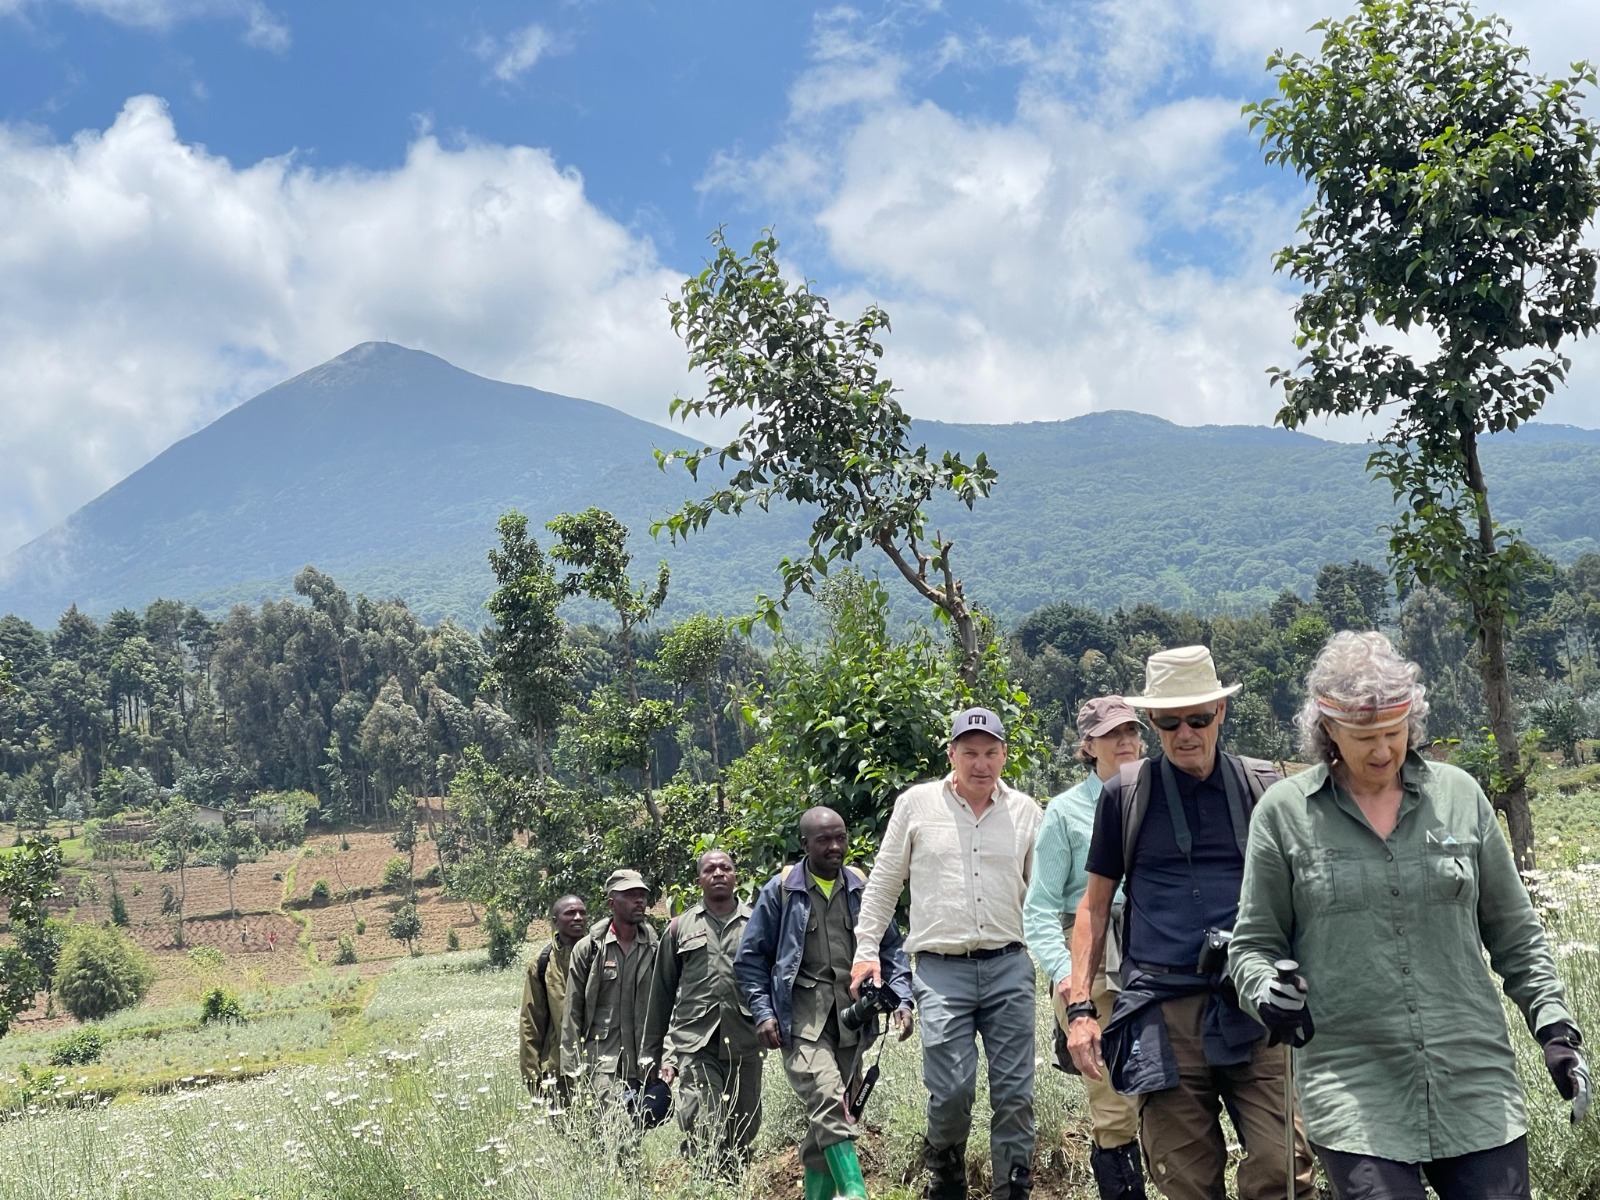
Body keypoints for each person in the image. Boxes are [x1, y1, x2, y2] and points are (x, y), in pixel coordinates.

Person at [1230, 630, 1590, 1200]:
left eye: (1393, 734)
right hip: (1352, 1085)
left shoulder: (1461, 797)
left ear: (1412, 722)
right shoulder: (1283, 815)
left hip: (1473, 1080)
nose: (1381, 751)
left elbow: (1516, 934)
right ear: (1328, 733)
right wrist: (1265, 991)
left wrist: (1554, 1025)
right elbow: (1251, 945)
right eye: (1363, 737)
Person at [1065, 645, 1314, 1200]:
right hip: (1162, 1008)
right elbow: (1094, 905)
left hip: (1253, 1004)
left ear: (1221, 712)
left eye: (1198, 718)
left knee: (1285, 1167)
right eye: (1170, 721)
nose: (1185, 733)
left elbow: (1306, 895)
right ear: (1152, 722)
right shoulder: (1124, 796)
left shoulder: (1265, 789)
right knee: (1185, 1181)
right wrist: (1081, 1008)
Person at [852, 707, 1043, 1200]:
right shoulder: (916, 805)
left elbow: (1044, 896)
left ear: (1004, 755)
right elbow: (884, 883)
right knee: (952, 1092)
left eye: (991, 753)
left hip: (1009, 966)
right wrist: (866, 949)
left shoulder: (1026, 812)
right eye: (970, 752)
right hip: (940, 972)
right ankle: (947, 1164)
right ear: (952, 754)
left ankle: (1013, 1186)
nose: (981, 763)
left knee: (1015, 1094)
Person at [734, 806, 914, 1200]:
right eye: (824, 840)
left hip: (851, 1023)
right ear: (805, 845)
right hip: (801, 1022)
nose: (835, 846)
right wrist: (763, 1013)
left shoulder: (864, 888)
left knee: (828, 1122)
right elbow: (749, 960)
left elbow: (892, 949)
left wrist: (902, 998)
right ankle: (855, 1192)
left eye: (840, 837)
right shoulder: (782, 891)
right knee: (828, 1097)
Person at [1022, 697, 1148, 1200]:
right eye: (1110, 734)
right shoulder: (1066, 812)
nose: (1124, 742)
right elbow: (1041, 909)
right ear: (1087, 746)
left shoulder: (1158, 799)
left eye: (1131, 731)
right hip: (1094, 963)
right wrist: (1066, 978)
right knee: (1115, 1105)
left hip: (1154, 956)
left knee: (1166, 1095)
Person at [643, 850, 763, 1171]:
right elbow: (662, 995)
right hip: (696, 1041)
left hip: (745, 1040)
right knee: (703, 1122)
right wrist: (656, 1054)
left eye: (726, 868)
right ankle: (705, 1182)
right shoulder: (679, 928)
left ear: (736, 876)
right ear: (699, 880)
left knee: (743, 1126)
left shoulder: (757, 924)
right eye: (710, 869)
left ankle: (735, 1183)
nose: (719, 873)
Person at [561, 869, 664, 1128]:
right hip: (602, 1059)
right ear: (611, 903)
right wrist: (571, 1066)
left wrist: (667, 1056)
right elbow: (572, 1010)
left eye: (642, 895)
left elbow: (666, 1003)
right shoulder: (589, 949)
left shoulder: (654, 945)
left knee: (641, 1120)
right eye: (630, 895)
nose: (639, 901)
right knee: (618, 1129)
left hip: (642, 1059)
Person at [520, 893, 589, 1100]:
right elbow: (531, 1022)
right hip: (557, 1073)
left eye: (582, 913)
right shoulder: (542, 964)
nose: (578, 917)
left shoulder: (601, 955)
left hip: (599, 1068)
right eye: (570, 913)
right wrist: (533, 1078)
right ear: (555, 921)